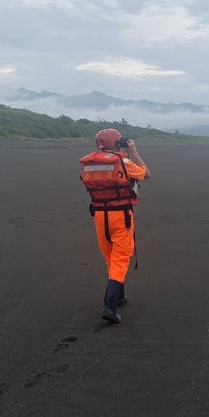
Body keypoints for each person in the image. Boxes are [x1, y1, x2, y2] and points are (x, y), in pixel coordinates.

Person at [79, 128, 151, 324]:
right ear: (117, 144)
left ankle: (119, 297)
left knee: (111, 256)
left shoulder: (90, 163)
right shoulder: (123, 162)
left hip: (100, 215)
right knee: (121, 257)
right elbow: (147, 174)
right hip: (121, 216)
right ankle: (109, 307)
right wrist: (134, 151)